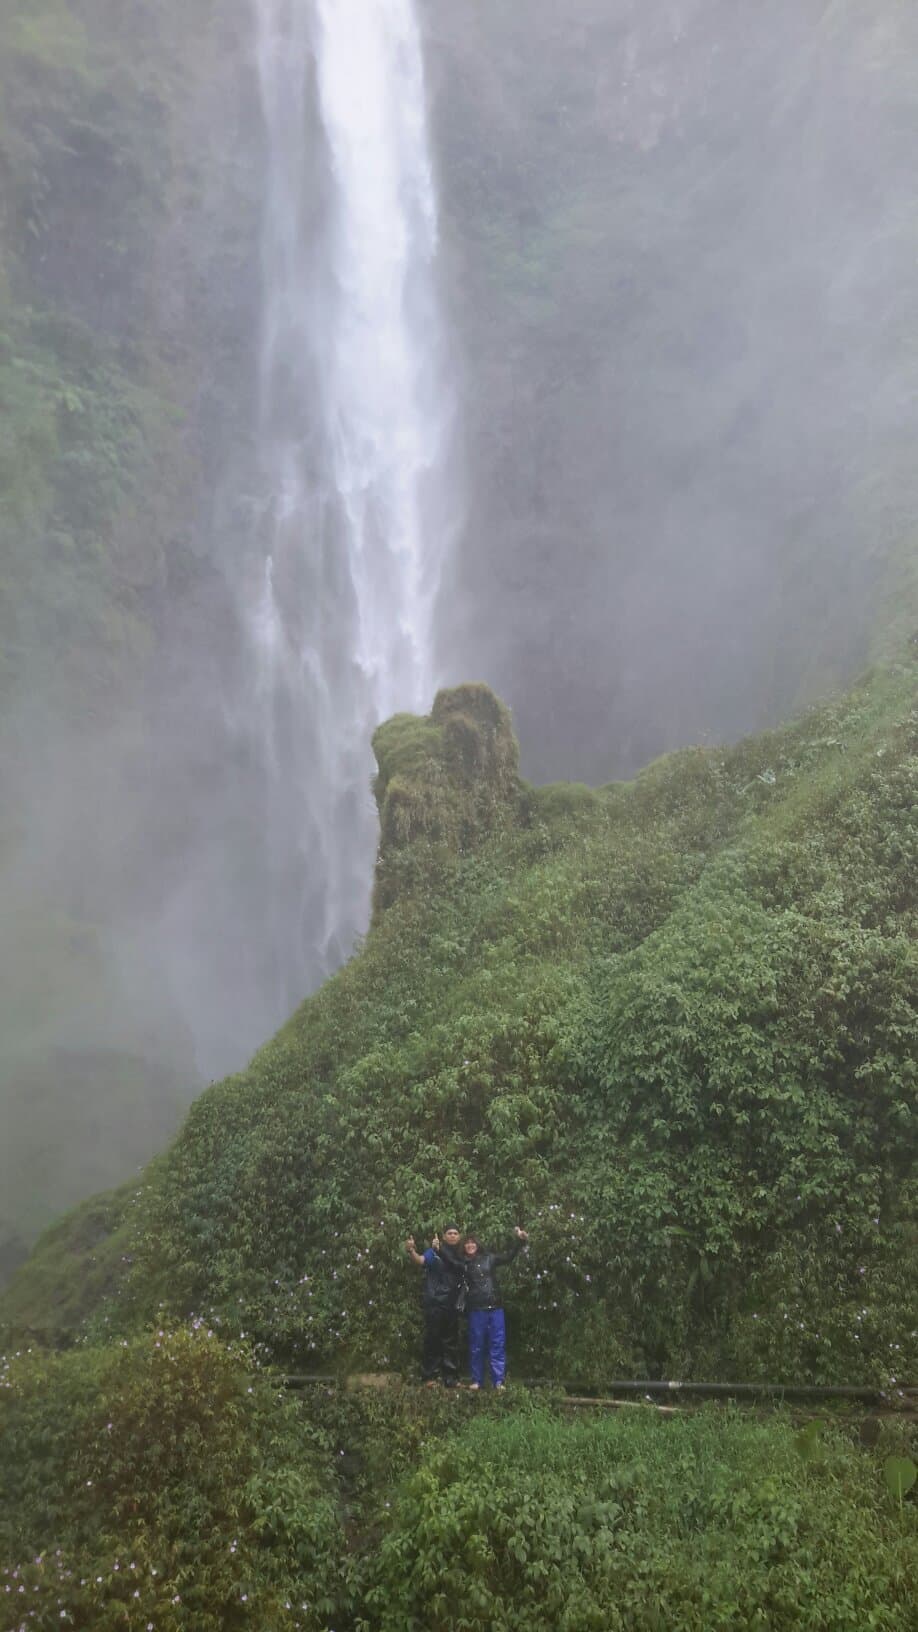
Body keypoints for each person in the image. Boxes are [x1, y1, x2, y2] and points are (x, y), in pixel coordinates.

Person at [461, 1226, 528, 1390]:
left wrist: (519, 1241)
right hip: (476, 1308)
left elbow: (508, 1257)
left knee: (497, 1343)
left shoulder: (489, 1258)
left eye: (472, 1243)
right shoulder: (462, 1263)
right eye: (467, 1243)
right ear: (463, 1247)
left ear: (477, 1244)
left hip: (495, 1307)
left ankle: (498, 1381)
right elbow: (447, 1261)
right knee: (477, 1345)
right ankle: (477, 1380)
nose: (470, 1245)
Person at [404, 1225, 464, 1387]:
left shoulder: (461, 1254)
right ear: (444, 1237)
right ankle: (429, 1377)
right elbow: (420, 1261)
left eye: (455, 1233)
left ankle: (451, 1379)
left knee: (451, 1342)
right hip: (435, 1302)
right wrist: (411, 1251)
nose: (452, 1236)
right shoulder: (433, 1251)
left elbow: (461, 1268)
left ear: (459, 1236)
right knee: (433, 1340)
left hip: (453, 1304)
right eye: (449, 1233)